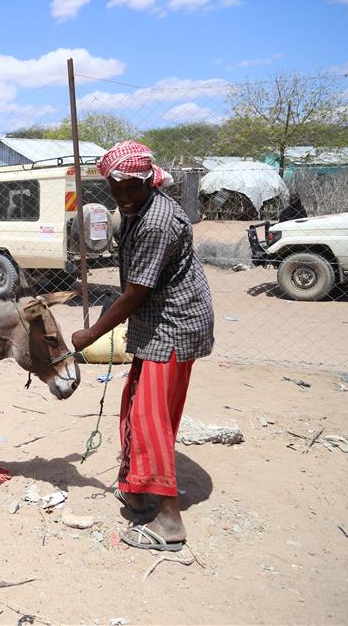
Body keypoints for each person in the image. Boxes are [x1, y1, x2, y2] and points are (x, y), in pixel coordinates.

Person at [71, 140, 214, 553]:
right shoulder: (135, 210)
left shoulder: (156, 221)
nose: (123, 195)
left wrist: (90, 334)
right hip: (155, 326)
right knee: (134, 406)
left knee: (151, 420)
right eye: (116, 188)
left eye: (131, 186)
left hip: (173, 326)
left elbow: (135, 292)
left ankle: (169, 521)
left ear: (149, 179)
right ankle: (135, 489)